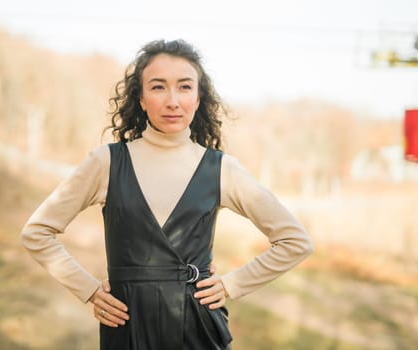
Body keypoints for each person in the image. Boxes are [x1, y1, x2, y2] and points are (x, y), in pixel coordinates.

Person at [20, 39, 314, 350]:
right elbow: (36, 233)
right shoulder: (106, 162)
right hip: (127, 328)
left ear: (198, 98)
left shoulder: (221, 169)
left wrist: (232, 283)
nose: (172, 101)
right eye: (158, 87)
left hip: (198, 329)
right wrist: (89, 290)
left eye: (185, 87)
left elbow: (295, 241)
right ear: (141, 98)